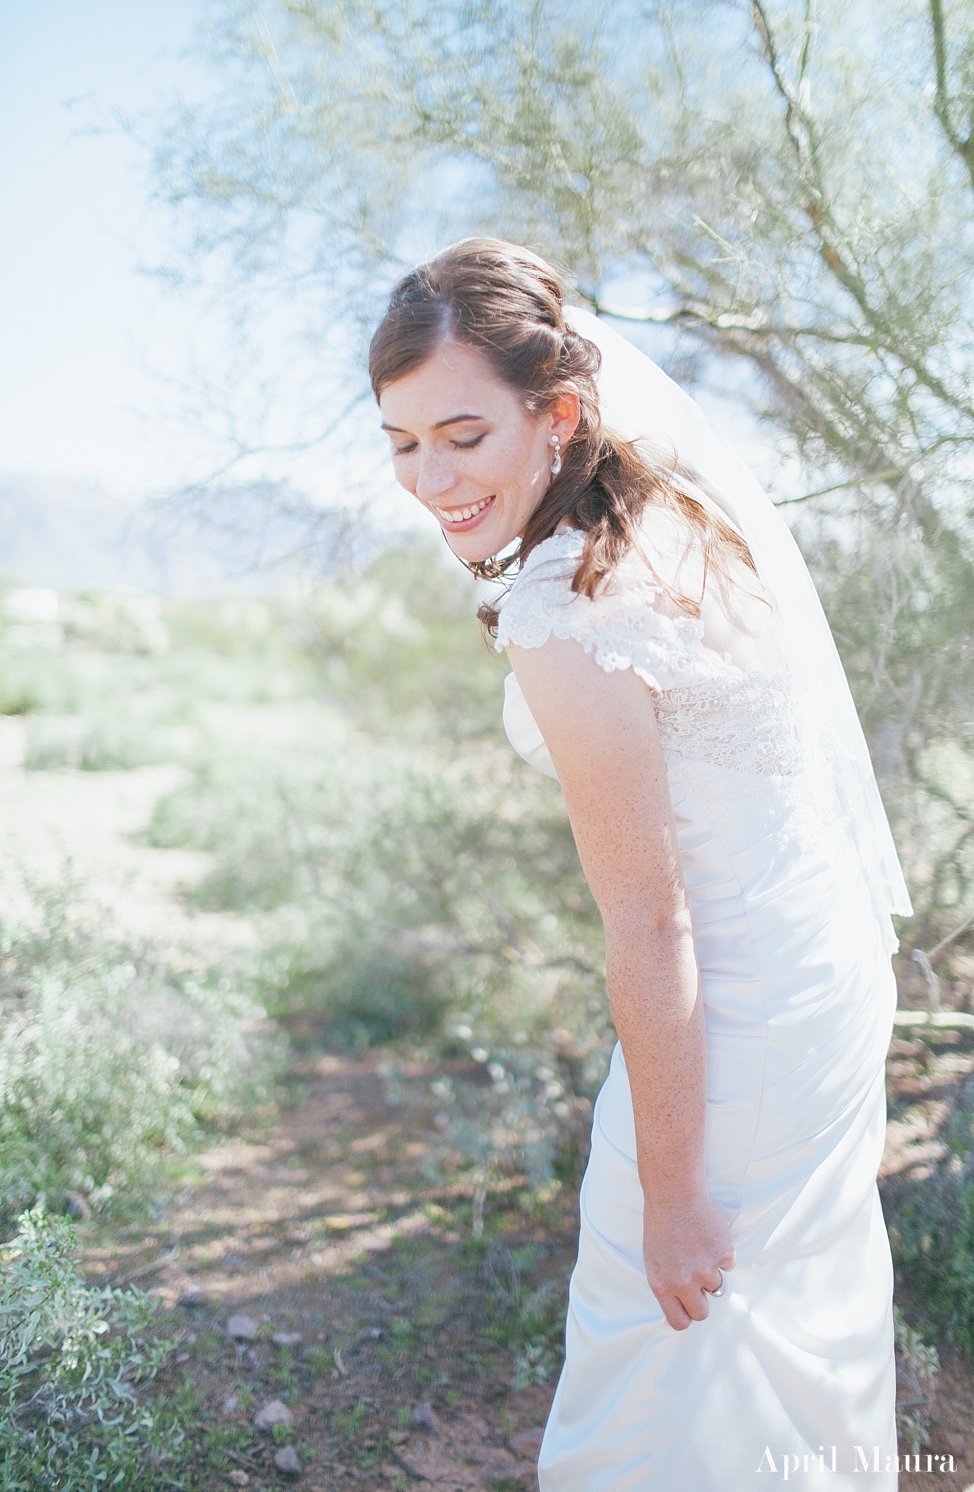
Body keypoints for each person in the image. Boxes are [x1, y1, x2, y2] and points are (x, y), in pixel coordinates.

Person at [368, 238, 912, 1491]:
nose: (428, 479)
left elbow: (651, 920)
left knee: (662, 1337)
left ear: (554, 412)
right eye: (401, 442)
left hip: (740, 1018)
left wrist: (671, 1194)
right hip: (819, 970)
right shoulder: (671, 512)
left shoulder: (565, 611)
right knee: (780, 1335)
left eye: (462, 434)